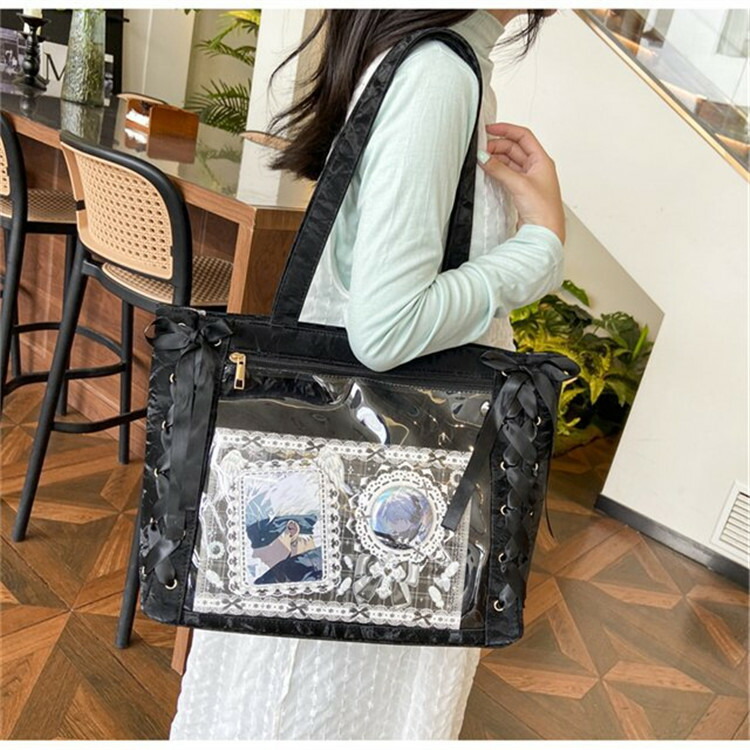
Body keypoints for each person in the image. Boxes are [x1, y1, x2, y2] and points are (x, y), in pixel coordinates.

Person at [171, 8, 565, 740]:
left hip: (361, 473)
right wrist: (541, 244)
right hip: (392, 481)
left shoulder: (439, 62)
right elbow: (386, 327)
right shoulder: (439, 73)